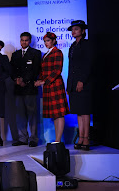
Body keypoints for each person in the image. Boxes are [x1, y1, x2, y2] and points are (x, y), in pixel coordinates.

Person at [35, 32, 69, 142]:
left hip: (55, 85)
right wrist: (40, 80)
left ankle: (58, 141)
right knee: (55, 114)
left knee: (59, 114)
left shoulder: (57, 52)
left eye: (48, 41)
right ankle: (57, 140)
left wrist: (44, 81)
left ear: (54, 41)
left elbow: (57, 70)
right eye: (45, 41)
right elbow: (43, 70)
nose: (46, 43)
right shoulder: (45, 55)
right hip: (48, 86)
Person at [10, 32, 41, 147]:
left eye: (26, 40)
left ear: (30, 41)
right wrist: (16, 79)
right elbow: (11, 70)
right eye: (22, 40)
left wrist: (25, 80)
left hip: (30, 88)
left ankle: (33, 138)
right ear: (20, 40)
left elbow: (36, 70)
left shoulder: (36, 53)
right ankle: (22, 138)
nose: (24, 42)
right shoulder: (15, 54)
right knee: (20, 114)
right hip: (18, 88)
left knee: (32, 114)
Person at [67, 20, 93, 151]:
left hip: (84, 82)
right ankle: (81, 137)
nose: (74, 31)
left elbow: (88, 64)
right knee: (78, 111)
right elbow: (71, 66)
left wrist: (82, 80)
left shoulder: (87, 44)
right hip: (73, 82)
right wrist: (69, 85)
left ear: (83, 31)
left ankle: (86, 138)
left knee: (85, 110)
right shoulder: (72, 46)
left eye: (76, 29)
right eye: (72, 29)